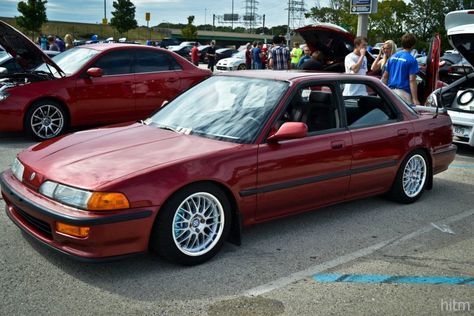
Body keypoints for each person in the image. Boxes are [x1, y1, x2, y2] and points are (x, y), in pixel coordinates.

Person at [382, 33, 420, 105]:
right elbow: (412, 80)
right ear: (413, 45)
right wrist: (415, 99)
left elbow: (385, 77)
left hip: (390, 92)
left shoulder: (392, 57)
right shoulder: (412, 60)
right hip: (403, 94)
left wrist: (381, 93)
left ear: (402, 44)